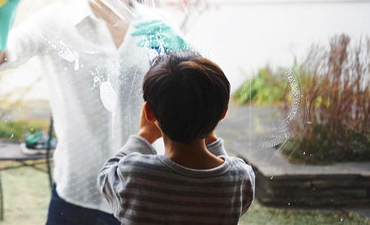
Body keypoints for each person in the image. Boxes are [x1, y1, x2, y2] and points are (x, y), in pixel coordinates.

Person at [0, 0, 188, 224]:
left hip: (145, 187)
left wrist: (185, 53)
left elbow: (196, 93)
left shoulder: (156, 26)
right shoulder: (56, 22)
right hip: (76, 193)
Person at [98, 50, 255, 224]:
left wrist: (144, 136)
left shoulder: (137, 175)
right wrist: (207, 128)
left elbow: (106, 175)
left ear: (149, 113)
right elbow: (228, 177)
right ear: (223, 113)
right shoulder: (240, 178)